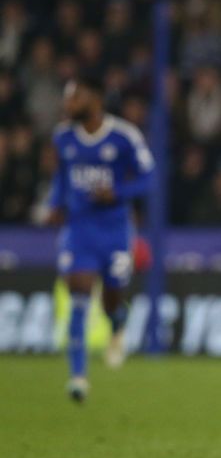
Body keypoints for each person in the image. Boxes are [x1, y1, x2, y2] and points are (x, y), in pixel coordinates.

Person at [46, 75, 153, 401]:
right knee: (78, 292)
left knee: (111, 296)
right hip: (79, 229)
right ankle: (78, 377)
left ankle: (118, 321)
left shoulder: (124, 137)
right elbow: (62, 178)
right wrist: (54, 205)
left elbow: (149, 179)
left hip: (115, 231)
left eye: (74, 98)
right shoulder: (63, 137)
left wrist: (117, 192)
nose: (68, 105)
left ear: (95, 99)